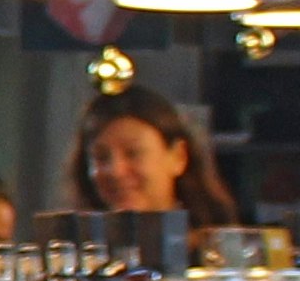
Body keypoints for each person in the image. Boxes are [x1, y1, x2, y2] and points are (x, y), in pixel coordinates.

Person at [71, 85, 241, 227]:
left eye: (133, 153)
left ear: (178, 157)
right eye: (101, 157)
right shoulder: (73, 256)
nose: (116, 171)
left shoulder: (216, 253)